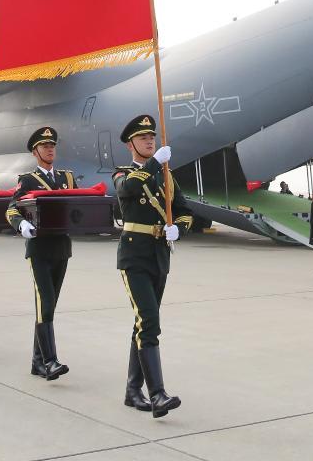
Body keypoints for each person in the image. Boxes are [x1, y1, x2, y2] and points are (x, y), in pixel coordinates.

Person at [114, 114, 193, 418]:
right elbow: (127, 191)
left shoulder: (166, 175)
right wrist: (152, 164)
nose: (150, 141)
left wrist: (179, 230)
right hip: (134, 257)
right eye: (143, 138)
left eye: (152, 138)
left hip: (160, 255)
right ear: (130, 144)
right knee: (149, 322)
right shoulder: (123, 173)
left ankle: (133, 391)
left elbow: (185, 211)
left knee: (142, 324)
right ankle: (156, 394)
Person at [6, 127, 76, 380]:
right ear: (35, 152)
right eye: (45, 146)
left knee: (49, 305)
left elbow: (77, 205)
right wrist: (21, 224)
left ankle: (37, 361)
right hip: (39, 249)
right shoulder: (28, 180)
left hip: (62, 249)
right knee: (44, 302)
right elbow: (12, 209)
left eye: (52, 146)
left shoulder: (67, 178)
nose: (50, 149)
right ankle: (50, 360)